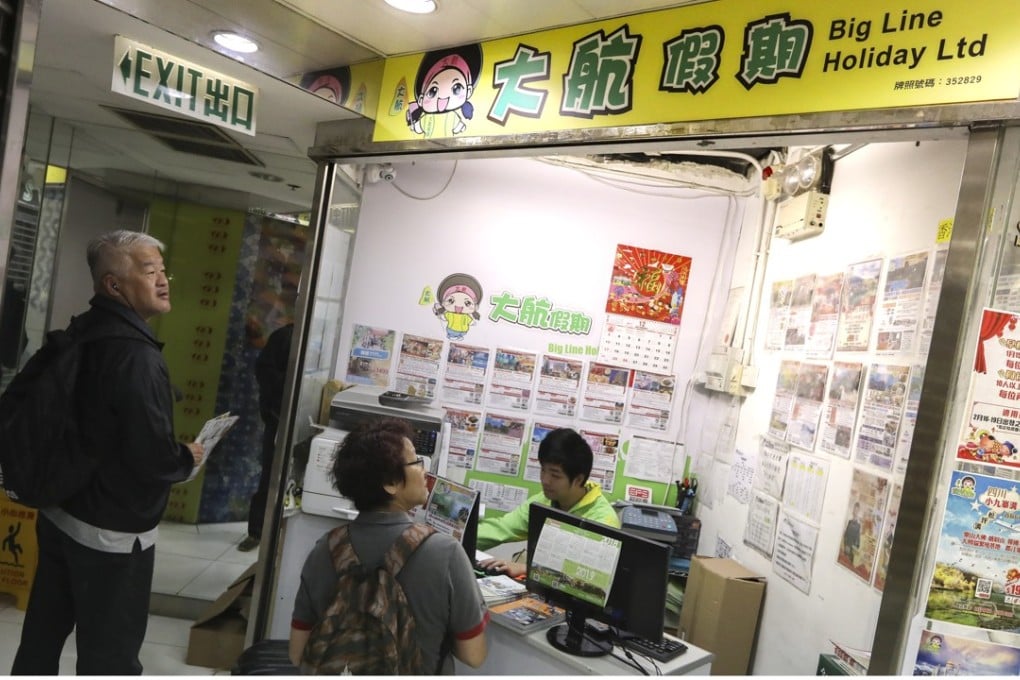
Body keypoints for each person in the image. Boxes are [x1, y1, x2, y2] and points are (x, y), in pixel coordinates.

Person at [11, 230, 205, 675]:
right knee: (110, 658)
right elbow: (152, 456)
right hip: (110, 531)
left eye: (163, 270)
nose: (163, 281)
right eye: (149, 271)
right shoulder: (137, 356)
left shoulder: (85, 328)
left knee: (41, 639)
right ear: (113, 285)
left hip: (62, 511)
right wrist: (187, 458)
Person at [289, 417, 487, 673]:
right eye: (416, 462)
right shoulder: (446, 553)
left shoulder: (324, 549)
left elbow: (297, 653)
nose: (424, 471)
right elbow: (474, 655)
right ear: (390, 483)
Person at [475, 428, 619, 578]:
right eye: (543, 470)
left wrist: (526, 569)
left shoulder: (603, 520)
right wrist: (461, 535)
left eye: (555, 475)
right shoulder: (545, 500)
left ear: (578, 479)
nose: (545, 480)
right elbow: (502, 529)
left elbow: (591, 577)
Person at [239, 321, 294, 552]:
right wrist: (288, 384)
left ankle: (286, 535)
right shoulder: (285, 336)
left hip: (298, 420)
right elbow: (264, 372)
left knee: (294, 481)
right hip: (277, 419)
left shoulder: (317, 338)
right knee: (270, 476)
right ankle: (256, 531)